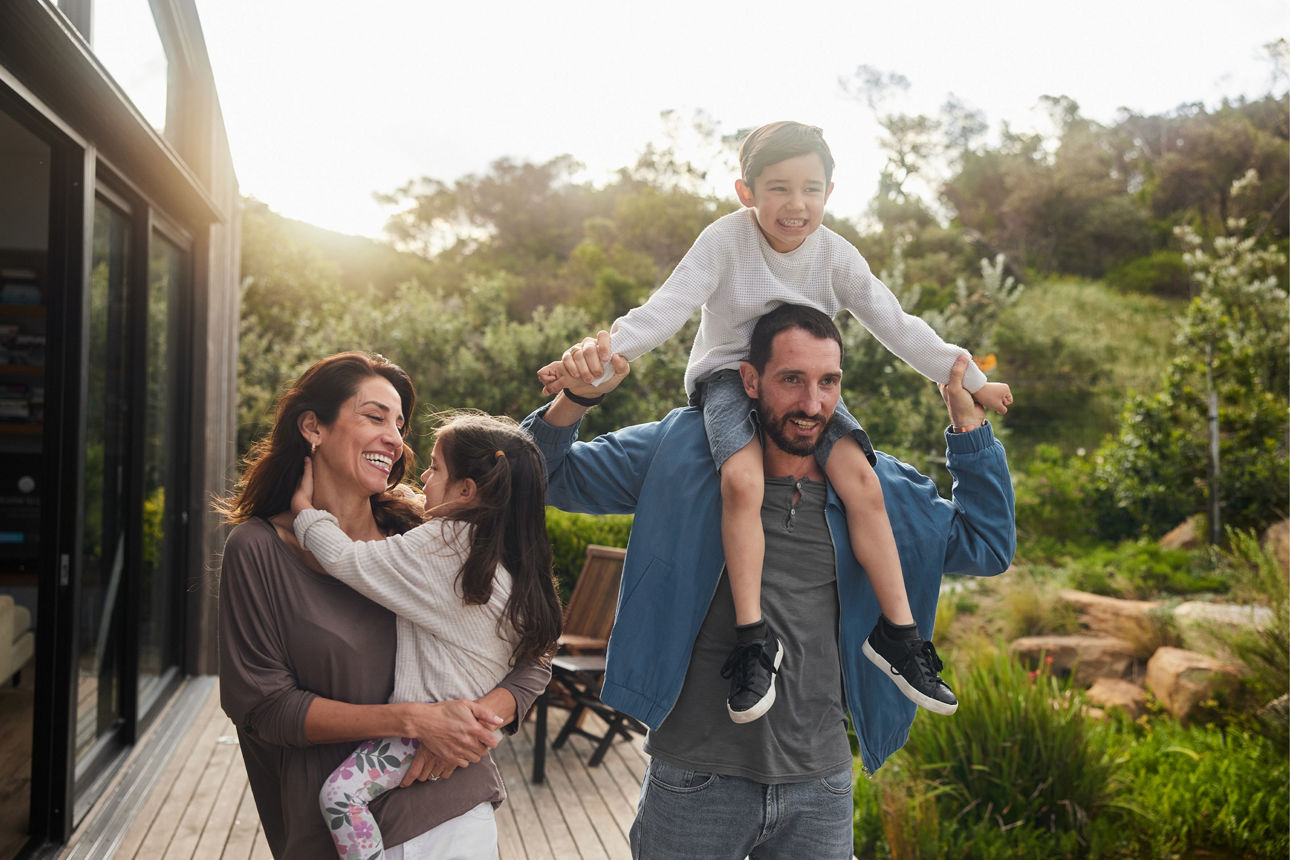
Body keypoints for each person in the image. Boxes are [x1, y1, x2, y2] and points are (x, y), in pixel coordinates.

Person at [537, 121, 1011, 724]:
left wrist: (971, 381)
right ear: (746, 192)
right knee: (742, 481)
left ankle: (900, 636)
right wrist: (591, 364)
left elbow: (897, 325)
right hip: (730, 380)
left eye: (811, 188)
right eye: (779, 188)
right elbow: (663, 311)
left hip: (797, 378)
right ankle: (754, 635)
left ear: (830, 193)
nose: (796, 204)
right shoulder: (723, 242)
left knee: (862, 483)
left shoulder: (836, 256)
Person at [521, 304, 1015, 858]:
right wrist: (577, 397)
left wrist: (969, 431)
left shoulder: (876, 489)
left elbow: (987, 545)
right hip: (695, 779)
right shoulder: (680, 450)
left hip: (820, 786)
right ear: (750, 381)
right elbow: (539, 474)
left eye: (829, 382)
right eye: (792, 380)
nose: (812, 404)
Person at [217, 352, 551, 859]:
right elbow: (266, 708)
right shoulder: (258, 550)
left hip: (453, 813)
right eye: (375, 417)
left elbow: (531, 652)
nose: (396, 439)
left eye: (400, 424)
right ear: (313, 426)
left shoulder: (426, 532)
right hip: (331, 833)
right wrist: (413, 721)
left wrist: (474, 722)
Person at [289, 411, 563, 859]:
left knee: (339, 797)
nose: (423, 477)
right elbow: (534, 659)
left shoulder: (443, 544)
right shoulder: (507, 559)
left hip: (424, 730)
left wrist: (304, 512)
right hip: (465, 751)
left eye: (435, 468)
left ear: (467, 491)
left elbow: (346, 560)